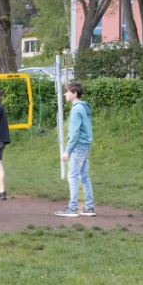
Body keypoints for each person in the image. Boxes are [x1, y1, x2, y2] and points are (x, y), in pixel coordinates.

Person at [56, 82, 95, 217]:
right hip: (85, 146)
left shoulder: (76, 109)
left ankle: (72, 209)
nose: (65, 94)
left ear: (75, 94)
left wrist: (67, 151)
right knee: (84, 177)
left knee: (72, 176)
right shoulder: (83, 107)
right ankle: (89, 208)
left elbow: (75, 133)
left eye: (67, 92)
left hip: (78, 147)